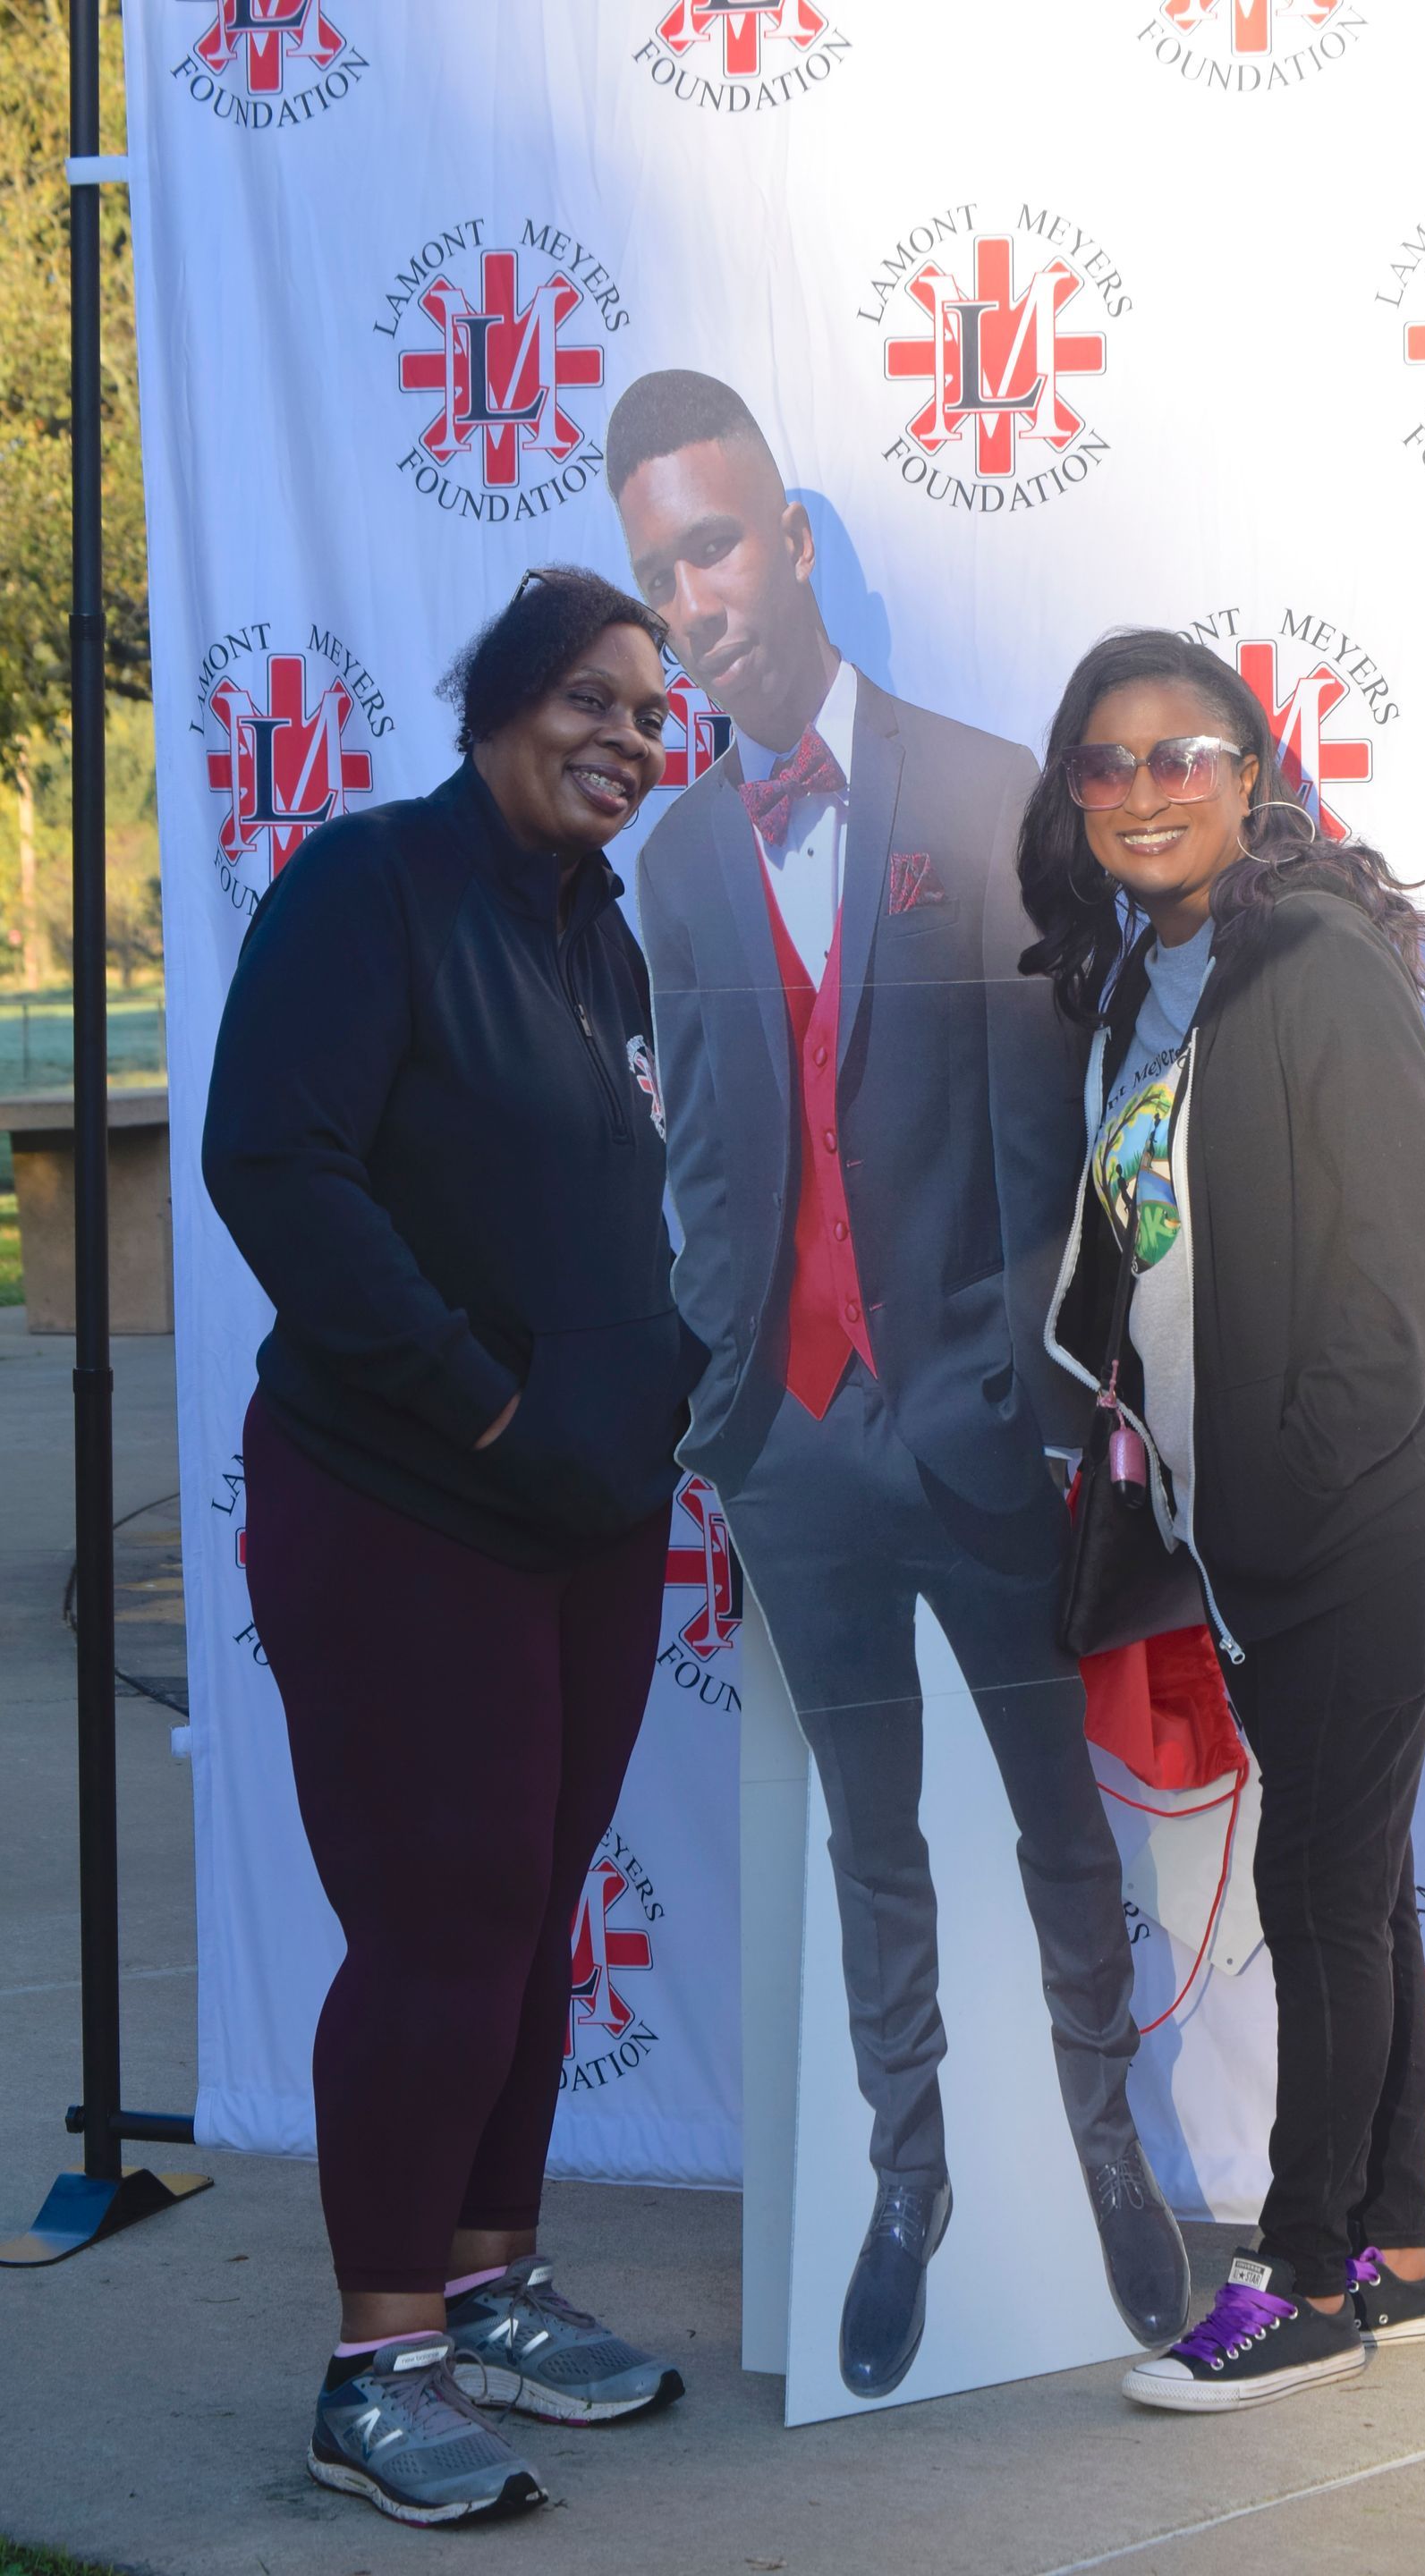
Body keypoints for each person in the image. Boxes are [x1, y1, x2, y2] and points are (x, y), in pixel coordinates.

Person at [605, 369, 1190, 2400]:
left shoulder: (975, 799)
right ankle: (908, 2185)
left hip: (973, 1440)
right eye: (661, 565)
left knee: (1054, 1834)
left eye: (723, 541)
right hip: (793, 1462)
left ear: (795, 538)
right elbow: (705, 1172)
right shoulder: (676, 863)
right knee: (872, 1848)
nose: (701, 593)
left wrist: (1049, 1410)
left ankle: (1116, 2158)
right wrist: (721, 1420)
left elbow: (1057, 1152)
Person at [202, 569, 702, 2525]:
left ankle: (491, 2286)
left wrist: (645, 1396)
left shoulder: (606, 940)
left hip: (588, 1512)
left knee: (532, 1907)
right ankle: (375, 2366)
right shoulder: (370, 885)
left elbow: (596, 1212)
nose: (626, 738)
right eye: (589, 699)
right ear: (497, 703)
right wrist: (485, 1399)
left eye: (652, 717)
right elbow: (273, 1161)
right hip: (406, 1500)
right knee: (440, 1925)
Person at [1021, 629, 1425, 2415]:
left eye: (1181, 755)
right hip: (1259, 1512)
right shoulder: (1145, 975)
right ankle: (1387, 2240)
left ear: (1249, 771)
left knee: (1314, 1878)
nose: (1145, 790)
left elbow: (1395, 1278)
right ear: (1074, 799)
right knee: (1355, 1866)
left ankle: (1297, 2280)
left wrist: (1299, 1507)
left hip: (1363, 1500)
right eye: (1108, 763)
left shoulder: (1310, 958)